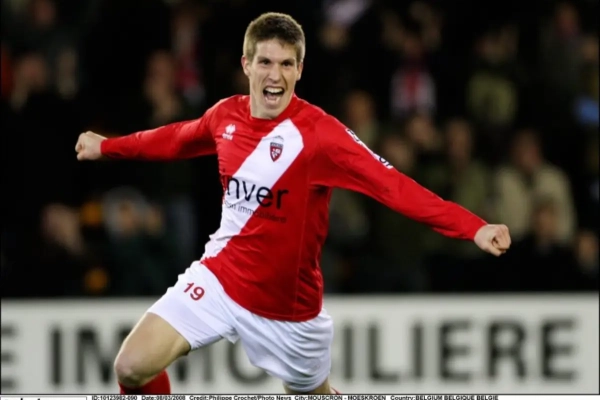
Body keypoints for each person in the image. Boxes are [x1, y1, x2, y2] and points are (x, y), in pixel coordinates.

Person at [74, 12, 512, 395]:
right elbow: (176, 139)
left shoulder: (320, 135)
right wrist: (108, 147)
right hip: (221, 279)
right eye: (265, 62)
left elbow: (392, 186)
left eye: (286, 64)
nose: (275, 75)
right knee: (131, 367)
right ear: (246, 65)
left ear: (300, 70)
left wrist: (472, 226)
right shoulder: (225, 116)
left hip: (290, 313)